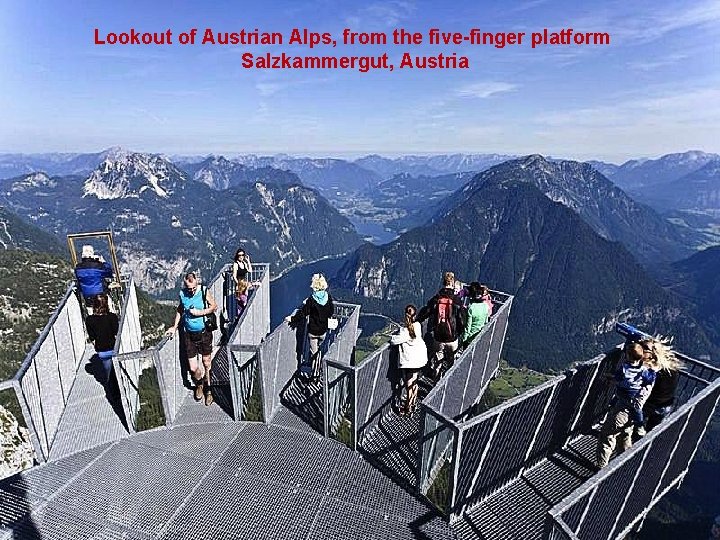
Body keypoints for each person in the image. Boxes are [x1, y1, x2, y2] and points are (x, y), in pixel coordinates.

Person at [596, 341, 656, 468]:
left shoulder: (624, 369)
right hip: (633, 407)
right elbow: (649, 378)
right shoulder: (644, 370)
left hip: (623, 406)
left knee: (607, 434)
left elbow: (617, 378)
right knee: (625, 432)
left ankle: (601, 468)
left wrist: (608, 376)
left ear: (628, 356)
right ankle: (624, 462)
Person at [166, 272, 218, 406]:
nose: (192, 291)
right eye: (189, 288)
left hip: (204, 333)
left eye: (193, 288)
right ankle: (199, 384)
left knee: (206, 363)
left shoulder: (203, 291)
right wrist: (174, 326)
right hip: (189, 334)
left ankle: (209, 390)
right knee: (193, 368)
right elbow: (180, 310)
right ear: (185, 285)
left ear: (196, 283)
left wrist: (200, 313)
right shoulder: (182, 294)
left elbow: (214, 307)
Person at [285, 273, 334, 379]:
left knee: (314, 353)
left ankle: (315, 373)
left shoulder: (312, 300)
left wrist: (292, 319)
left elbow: (303, 313)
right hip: (323, 330)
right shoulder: (328, 297)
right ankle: (318, 367)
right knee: (319, 350)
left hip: (313, 331)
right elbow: (331, 312)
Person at [417, 271, 465, 379]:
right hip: (452, 337)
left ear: (443, 282)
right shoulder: (456, 300)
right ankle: (447, 380)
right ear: (452, 283)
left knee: (438, 358)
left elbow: (426, 311)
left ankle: (436, 379)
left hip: (438, 337)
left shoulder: (437, 298)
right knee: (450, 361)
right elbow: (461, 320)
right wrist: (460, 332)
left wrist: (416, 321)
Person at [637, 337, 682, 436]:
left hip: (651, 403)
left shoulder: (652, 371)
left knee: (634, 423)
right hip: (665, 405)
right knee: (651, 434)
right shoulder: (671, 366)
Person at [390, 305, 428, 416]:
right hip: (420, 359)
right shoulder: (418, 326)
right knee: (414, 382)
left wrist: (392, 336)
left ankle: (408, 408)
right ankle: (413, 403)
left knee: (408, 385)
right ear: (415, 315)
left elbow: (393, 341)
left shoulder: (404, 331)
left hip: (409, 361)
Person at [85, 294, 119, 390]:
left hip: (102, 350)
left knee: (108, 372)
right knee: (117, 371)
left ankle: (112, 388)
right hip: (114, 348)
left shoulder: (89, 320)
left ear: (94, 305)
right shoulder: (112, 317)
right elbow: (117, 333)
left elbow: (92, 338)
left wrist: (97, 345)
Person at [461, 282, 491, 347]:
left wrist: (464, 340)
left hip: (470, 338)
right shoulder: (486, 306)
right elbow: (485, 322)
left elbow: (468, 326)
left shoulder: (471, 308)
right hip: (479, 336)